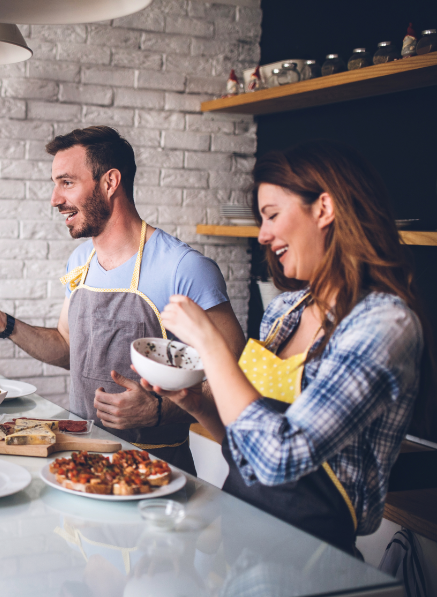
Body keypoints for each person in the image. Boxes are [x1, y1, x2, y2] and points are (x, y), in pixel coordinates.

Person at [155, 141, 433, 554]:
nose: (263, 235)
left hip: (312, 558)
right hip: (240, 536)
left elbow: (279, 458)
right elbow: (248, 445)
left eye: (271, 215)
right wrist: (196, 404)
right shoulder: (285, 311)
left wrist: (211, 345)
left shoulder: (383, 325)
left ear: (324, 208)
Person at [0, 126, 245, 474]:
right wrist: (4, 324)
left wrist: (160, 409)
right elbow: (69, 348)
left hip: (158, 474)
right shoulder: (80, 262)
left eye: (67, 182)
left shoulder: (184, 268)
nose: (55, 199)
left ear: (110, 182)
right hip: (83, 463)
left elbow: (234, 380)